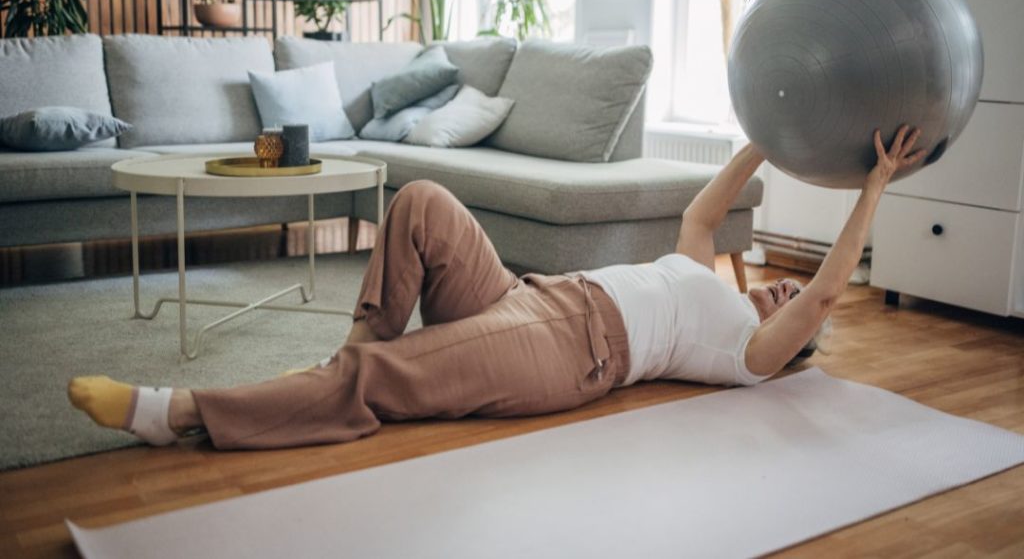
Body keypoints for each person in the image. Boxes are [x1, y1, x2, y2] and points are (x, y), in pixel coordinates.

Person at [68, 126, 925, 449]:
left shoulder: (750, 354)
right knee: (420, 202)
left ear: (794, 345)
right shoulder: (705, 272)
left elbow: (824, 294)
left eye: (789, 306)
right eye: (778, 287)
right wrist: (769, 138)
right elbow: (705, 212)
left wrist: (876, 184)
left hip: (566, 351)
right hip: (533, 293)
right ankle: (343, 360)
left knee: (383, 383)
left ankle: (170, 411)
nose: (780, 293)